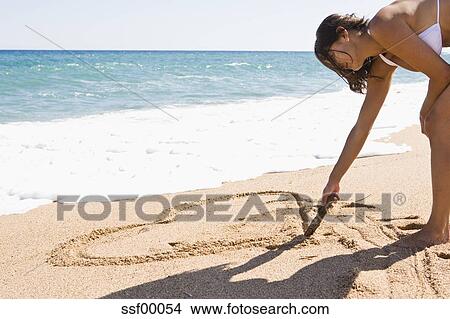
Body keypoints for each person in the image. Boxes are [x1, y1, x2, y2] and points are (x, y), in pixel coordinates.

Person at [314, 0, 449, 246]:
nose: (336, 66)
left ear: (343, 34)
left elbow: (442, 74)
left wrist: (425, 110)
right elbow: (362, 127)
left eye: (331, 57)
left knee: (438, 121)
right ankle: (440, 226)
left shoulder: (382, 24)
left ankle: (437, 229)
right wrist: (335, 178)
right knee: (440, 124)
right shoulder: (381, 64)